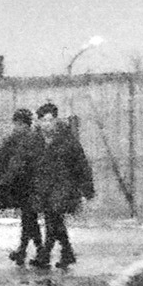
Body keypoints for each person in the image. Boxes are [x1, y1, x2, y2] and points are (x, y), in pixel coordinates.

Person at [25, 102, 96, 268]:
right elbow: (27, 163)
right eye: (44, 120)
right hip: (43, 187)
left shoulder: (67, 140)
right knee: (54, 220)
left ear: (56, 121)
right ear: (38, 122)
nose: (47, 124)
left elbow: (81, 164)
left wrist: (87, 189)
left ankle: (45, 255)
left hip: (63, 186)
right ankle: (67, 252)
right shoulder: (34, 140)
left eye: (50, 120)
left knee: (53, 218)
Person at [0, 108, 40, 266]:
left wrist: (4, 180)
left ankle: (31, 251)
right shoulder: (18, 138)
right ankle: (28, 250)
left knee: (29, 219)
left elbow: (15, 163)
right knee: (29, 219)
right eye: (17, 123)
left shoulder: (28, 139)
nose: (18, 126)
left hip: (28, 185)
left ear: (26, 124)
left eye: (20, 124)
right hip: (23, 185)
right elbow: (2, 159)